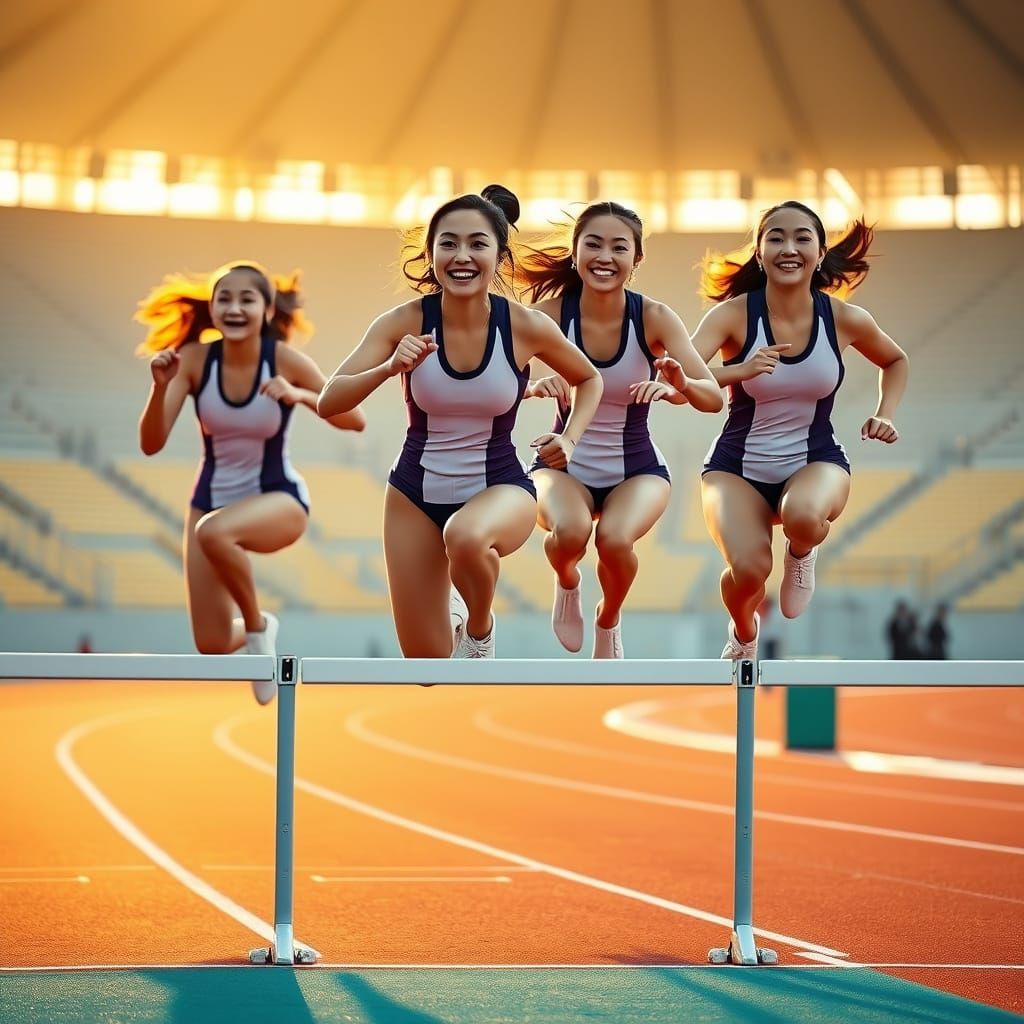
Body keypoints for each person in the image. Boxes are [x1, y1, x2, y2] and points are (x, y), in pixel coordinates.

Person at [317, 185, 603, 659]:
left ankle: (479, 627)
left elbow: (589, 379)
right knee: (426, 663)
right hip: (413, 494)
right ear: (430, 256)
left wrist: (570, 439)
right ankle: (456, 599)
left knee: (465, 537)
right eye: (448, 244)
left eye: (477, 244)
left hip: (500, 488)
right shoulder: (402, 321)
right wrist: (389, 368)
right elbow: (330, 400)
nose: (462, 256)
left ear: (499, 256)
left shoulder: (524, 326)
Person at [136, 261, 366, 703]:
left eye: (247, 299)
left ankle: (258, 630)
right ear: (213, 309)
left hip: (278, 501)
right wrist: (160, 387)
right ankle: (259, 626)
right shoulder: (194, 361)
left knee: (215, 531)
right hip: (209, 502)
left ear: (266, 310)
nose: (235, 307)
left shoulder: (284, 360)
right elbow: (151, 445)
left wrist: (299, 395)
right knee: (212, 641)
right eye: (224, 298)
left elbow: (353, 419)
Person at [693, 201, 909, 660]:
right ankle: (743, 631)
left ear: (820, 249)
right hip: (735, 469)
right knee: (749, 571)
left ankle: (801, 552)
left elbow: (895, 360)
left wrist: (885, 412)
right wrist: (741, 370)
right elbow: (682, 381)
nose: (788, 248)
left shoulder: (845, 319)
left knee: (804, 516)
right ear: (758, 251)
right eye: (775, 238)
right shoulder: (732, 317)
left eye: (802, 238)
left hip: (815, 462)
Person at [518, 201, 721, 657]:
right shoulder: (549, 316)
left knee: (612, 539)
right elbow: (493, 383)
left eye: (618, 247)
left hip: (638, 469)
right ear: (575, 252)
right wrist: (533, 384)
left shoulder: (654, 318)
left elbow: (714, 399)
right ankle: (567, 581)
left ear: (636, 260)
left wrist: (679, 384)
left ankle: (608, 618)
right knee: (570, 532)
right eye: (593, 244)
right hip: (561, 466)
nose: (604, 257)